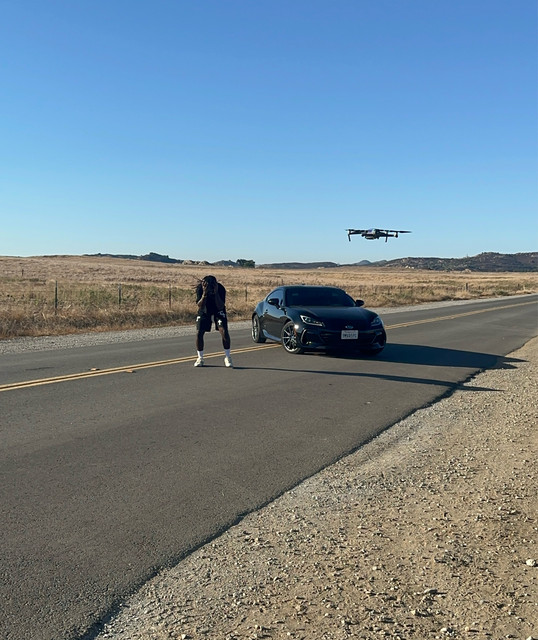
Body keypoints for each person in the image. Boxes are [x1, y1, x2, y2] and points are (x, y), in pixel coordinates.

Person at [194, 275, 233, 368]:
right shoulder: (200, 288)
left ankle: (228, 357)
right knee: (199, 332)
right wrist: (204, 294)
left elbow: (220, 305)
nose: (210, 288)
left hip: (218, 310)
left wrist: (215, 293)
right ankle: (200, 358)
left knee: (224, 331)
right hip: (204, 310)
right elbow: (200, 305)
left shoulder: (220, 289)